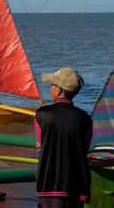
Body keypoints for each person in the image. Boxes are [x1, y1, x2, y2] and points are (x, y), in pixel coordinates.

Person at [35, 68, 92, 208]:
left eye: (52, 85)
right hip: (76, 185)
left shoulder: (41, 114)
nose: (50, 89)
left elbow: (41, 144)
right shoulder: (85, 118)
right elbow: (84, 148)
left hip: (48, 183)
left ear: (59, 90)